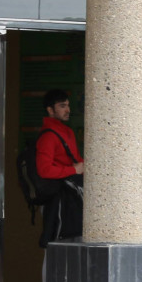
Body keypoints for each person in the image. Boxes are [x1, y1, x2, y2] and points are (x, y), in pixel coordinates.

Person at [35, 89, 84, 248]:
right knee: (56, 244)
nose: (68, 110)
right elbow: (44, 170)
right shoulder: (48, 136)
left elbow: (76, 161)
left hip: (70, 197)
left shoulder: (67, 131)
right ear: (50, 110)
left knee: (74, 242)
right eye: (62, 106)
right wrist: (73, 170)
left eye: (68, 105)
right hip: (57, 199)